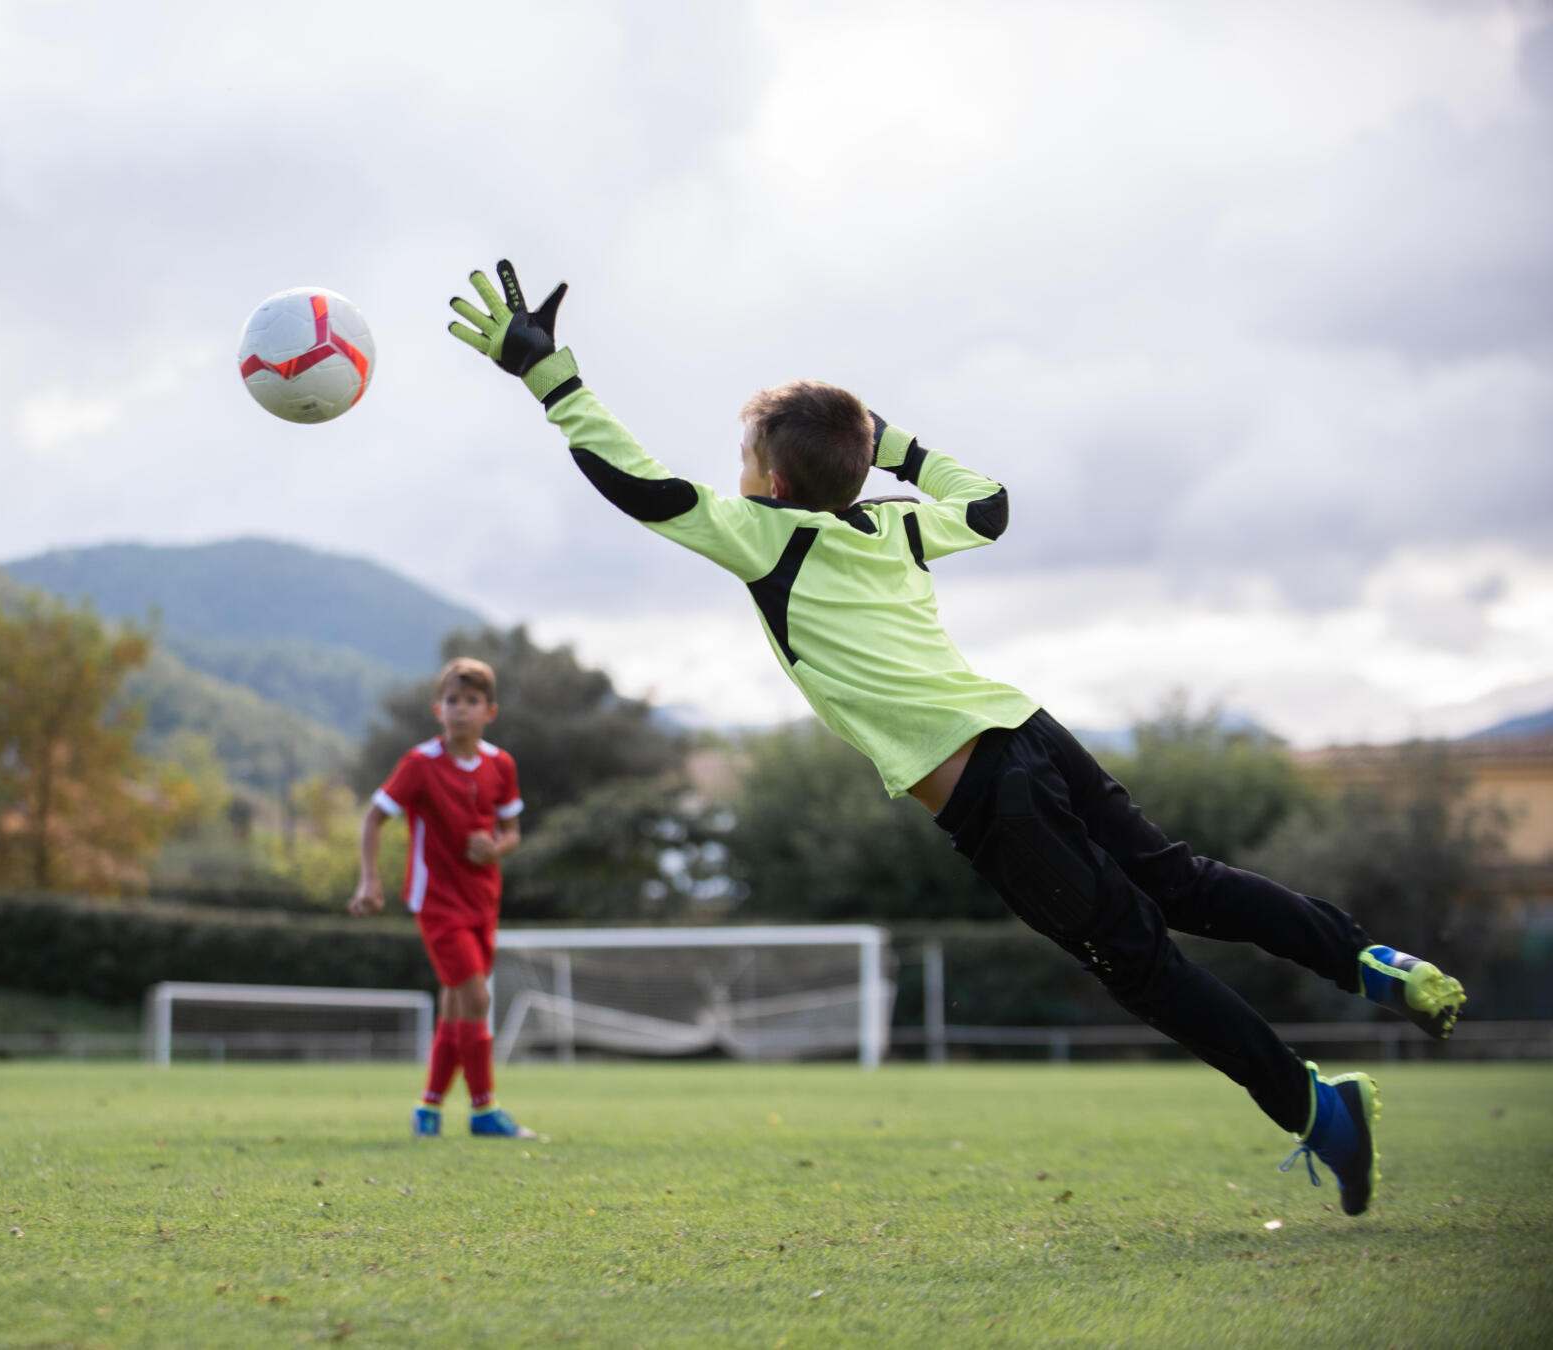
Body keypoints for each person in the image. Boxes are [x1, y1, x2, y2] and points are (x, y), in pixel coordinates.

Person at [443, 259, 1467, 1214]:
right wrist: (887, 443)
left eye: (746, 454)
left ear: (771, 482)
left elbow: (637, 484)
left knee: (1144, 967)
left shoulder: (763, 537)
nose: (735, 467)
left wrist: (549, 376)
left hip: (991, 798)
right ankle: (1369, 960)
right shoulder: (890, 526)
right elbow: (991, 506)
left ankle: (1317, 1109)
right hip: (1033, 731)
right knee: (1186, 881)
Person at [349, 656, 535, 1140]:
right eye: (452, 701)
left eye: (471, 701)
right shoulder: (420, 764)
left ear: (489, 711)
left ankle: (428, 1108)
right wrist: (370, 881)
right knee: (476, 996)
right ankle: (484, 1111)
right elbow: (373, 816)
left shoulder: (501, 765)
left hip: (483, 900)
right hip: (436, 901)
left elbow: (513, 831)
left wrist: (495, 847)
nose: (461, 710)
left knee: (457, 1005)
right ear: (438, 708)